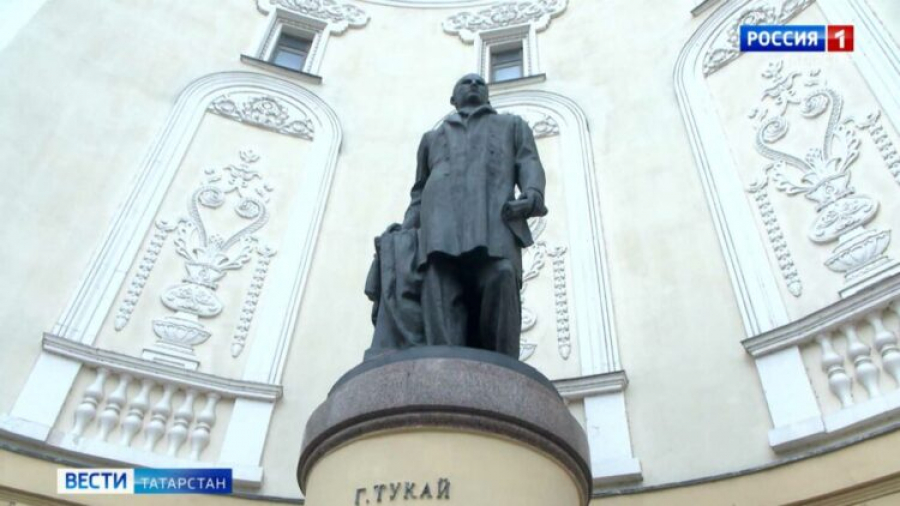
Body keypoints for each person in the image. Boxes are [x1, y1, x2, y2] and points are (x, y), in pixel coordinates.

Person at [397, 73, 548, 360]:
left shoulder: (512, 125)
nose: (475, 85)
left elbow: (528, 161)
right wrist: (406, 230)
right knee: (438, 285)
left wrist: (532, 193)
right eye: (466, 82)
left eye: (480, 83)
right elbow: (419, 192)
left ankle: (502, 366)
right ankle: (442, 366)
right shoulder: (432, 138)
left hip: (494, 220)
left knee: (502, 275)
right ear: (453, 98)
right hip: (440, 225)